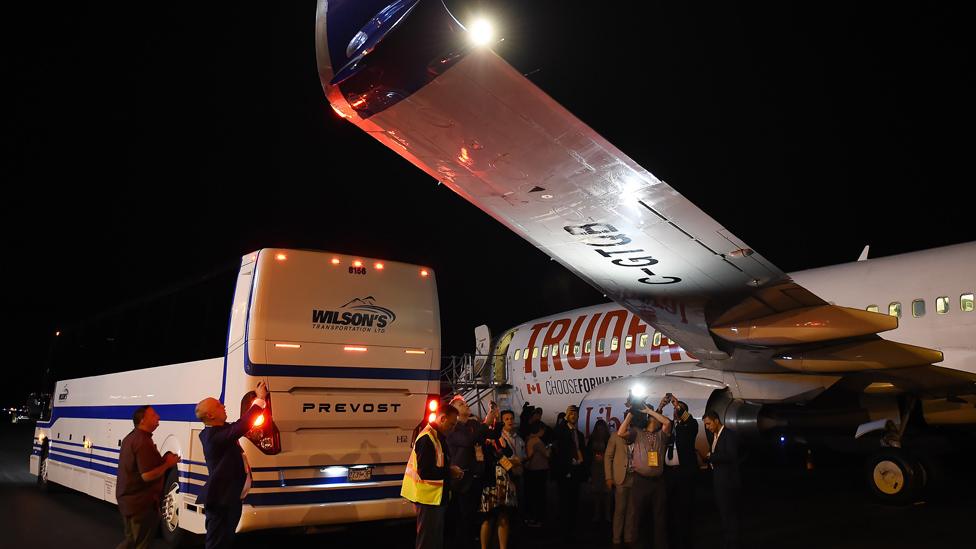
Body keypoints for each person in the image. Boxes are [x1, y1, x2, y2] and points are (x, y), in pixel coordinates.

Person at [195, 381, 268, 549]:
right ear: (211, 416)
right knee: (217, 543)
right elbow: (242, 426)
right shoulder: (212, 437)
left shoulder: (219, 431)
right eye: (219, 405)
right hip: (221, 500)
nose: (223, 406)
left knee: (225, 541)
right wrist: (259, 399)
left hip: (229, 498)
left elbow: (238, 425)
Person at [116, 405, 180, 549]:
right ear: (143, 420)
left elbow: (146, 466)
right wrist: (168, 464)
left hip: (131, 502)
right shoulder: (142, 442)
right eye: (153, 415)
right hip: (140, 504)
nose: (158, 417)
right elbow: (147, 475)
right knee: (140, 544)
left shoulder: (132, 438)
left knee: (131, 541)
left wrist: (163, 460)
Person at [402, 402, 463, 549]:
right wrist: (450, 471)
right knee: (428, 541)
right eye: (452, 424)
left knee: (433, 540)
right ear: (442, 418)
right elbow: (426, 472)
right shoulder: (427, 438)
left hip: (434, 498)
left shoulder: (436, 436)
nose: (453, 428)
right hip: (428, 499)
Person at [618, 398, 672, 549]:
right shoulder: (637, 433)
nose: (657, 417)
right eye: (654, 415)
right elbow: (620, 432)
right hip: (641, 481)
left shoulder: (661, 435)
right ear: (650, 419)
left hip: (658, 481)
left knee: (659, 517)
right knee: (637, 517)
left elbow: (667, 422)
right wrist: (632, 413)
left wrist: (649, 410)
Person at [446, 395, 495, 548]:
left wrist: (493, 417)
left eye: (465, 403)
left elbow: (490, 435)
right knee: (462, 518)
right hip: (461, 480)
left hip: (477, 477)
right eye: (461, 404)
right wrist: (486, 422)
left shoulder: (473, 424)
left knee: (473, 517)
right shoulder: (453, 428)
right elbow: (468, 440)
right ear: (454, 411)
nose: (466, 405)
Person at [479, 409, 525, 549]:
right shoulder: (487, 443)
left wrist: (512, 462)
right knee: (489, 517)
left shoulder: (503, 442)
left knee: (503, 516)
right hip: (492, 482)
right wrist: (512, 462)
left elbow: (512, 459)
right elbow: (506, 460)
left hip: (505, 481)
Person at [659, 396, 698, 549]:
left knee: (685, 508)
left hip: (684, 473)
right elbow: (654, 423)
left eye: (678, 409)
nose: (675, 411)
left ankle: (686, 541)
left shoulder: (690, 425)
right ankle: (671, 541)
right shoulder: (669, 425)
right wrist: (661, 406)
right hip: (669, 474)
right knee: (668, 508)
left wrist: (676, 403)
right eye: (674, 408)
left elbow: (688, 420)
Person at [703, 410, 741, 549]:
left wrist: (711, 456)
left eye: (708, 424)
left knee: (729, 515)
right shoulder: (715, 435)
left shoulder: (728, 435)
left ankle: (732, 543)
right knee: (724, 514)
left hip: (728, 482)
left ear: (716, 421)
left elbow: (731, 456)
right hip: (720, 480)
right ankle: (728, 541)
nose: (707, 427)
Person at [552, 404, 587, 541]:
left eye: (576, 414)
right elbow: (557, 446)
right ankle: (563, 530)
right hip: (565, 471)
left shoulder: (579, 434)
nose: (574, 416)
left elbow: (581, 449)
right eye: (571, 414)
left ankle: (572, 528)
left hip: (576, 470)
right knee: (564, 501)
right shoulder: (561, 431)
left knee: (574, 501)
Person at [604, 425, 637, 548]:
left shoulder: (637, 435)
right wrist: (609, 477)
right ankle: (616, 538)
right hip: (620, 477)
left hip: (635, 477)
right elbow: (608, 456)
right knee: (620, 509)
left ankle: (628, 537)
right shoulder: (615, 436)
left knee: (631, 510)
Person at [523, 421, 550, 527]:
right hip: (539, 470)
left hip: (531, 470)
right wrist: (550, 449)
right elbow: (547, 454)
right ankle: (538, 518)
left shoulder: (528, 439)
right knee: (539, 495)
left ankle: (530, 517)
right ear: (540, 430)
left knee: (532, 495)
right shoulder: (537, 441)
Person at [587, 419, 612, 524]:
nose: (600, 430)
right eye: (599, 428)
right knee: (596, 492)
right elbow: (587, 453)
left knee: (607, 492)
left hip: (605, 467)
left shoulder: (608, 439)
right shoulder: (592, 438)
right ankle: (597, 514)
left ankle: (607, 514)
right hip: (595, 467)